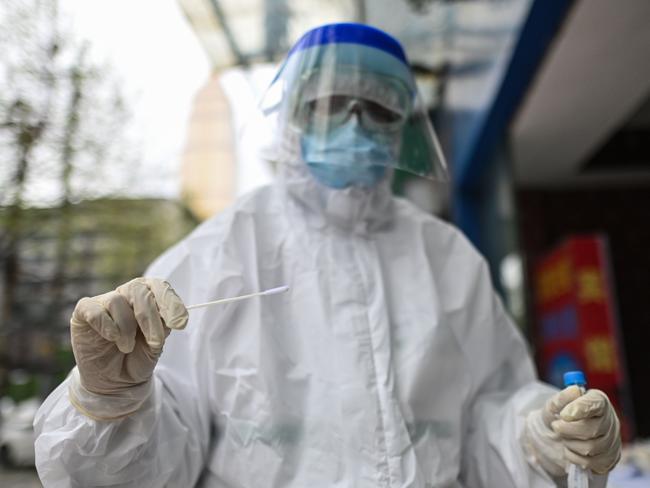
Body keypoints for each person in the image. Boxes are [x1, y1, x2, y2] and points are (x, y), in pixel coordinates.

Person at [34, 23, 621, 487]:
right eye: (331, 102)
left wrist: (541, 436)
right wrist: (111, 403)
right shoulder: (220, 253)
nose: (356, 122)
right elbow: (145, 473)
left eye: (380, 108)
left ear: (403, 128)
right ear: (291, 118)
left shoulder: (446, 257)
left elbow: (486, 413)